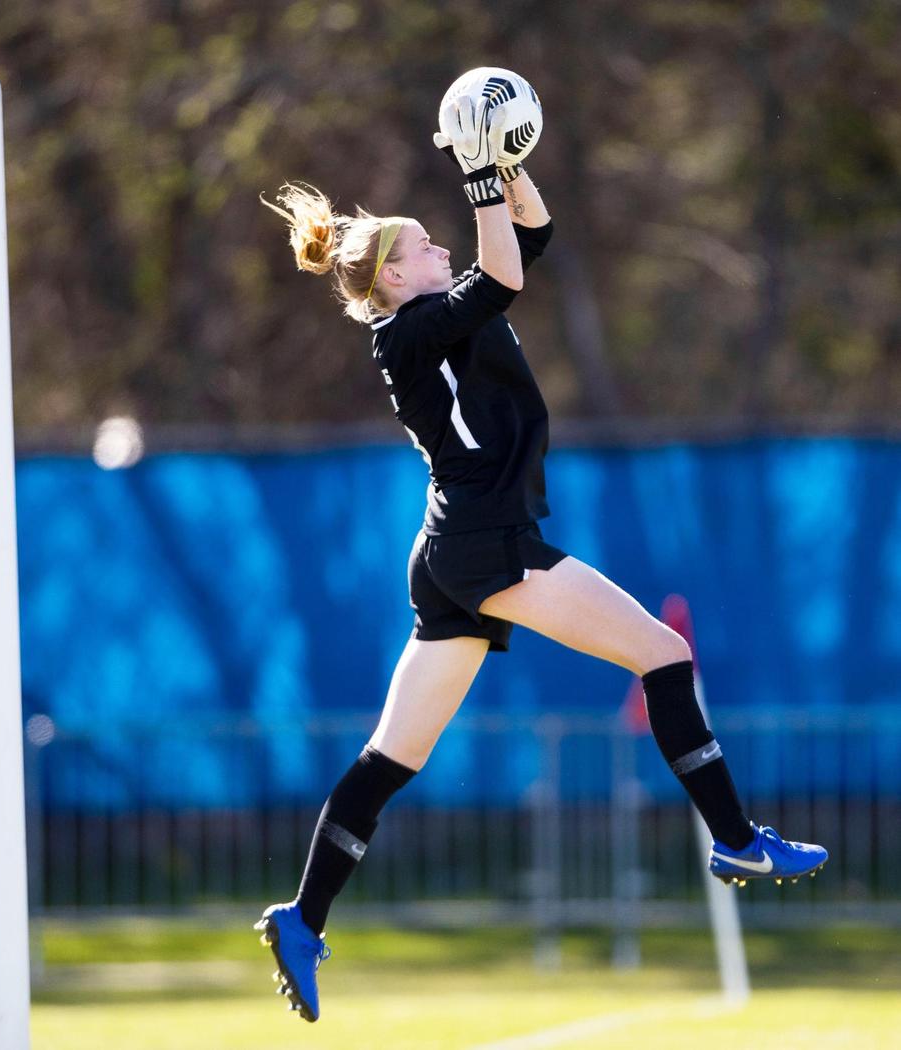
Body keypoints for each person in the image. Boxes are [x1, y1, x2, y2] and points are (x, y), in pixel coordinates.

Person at [255, 91, 827, 1024]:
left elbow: (533, 238)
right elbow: (504, 273)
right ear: (395, 280)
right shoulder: (408, 330)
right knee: (665, 657)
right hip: (490, 547)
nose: (442, 251)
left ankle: (302, 918)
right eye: (424, 249)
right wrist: (479, 172)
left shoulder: (449, 311)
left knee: (389, 759)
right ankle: (735, 839)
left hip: (454, 551)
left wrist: (507, 163)